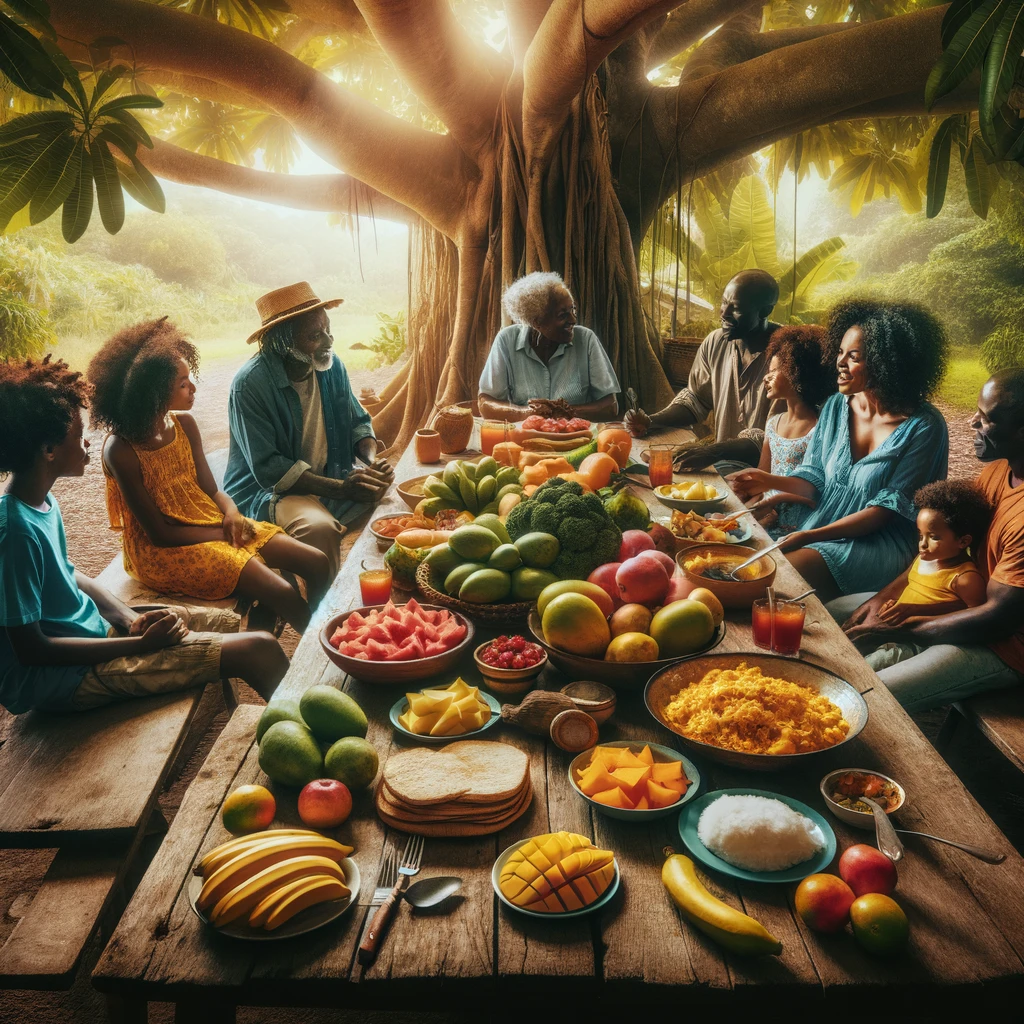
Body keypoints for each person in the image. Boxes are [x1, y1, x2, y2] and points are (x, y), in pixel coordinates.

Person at [0, 357, 287, 715]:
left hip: (94, 633)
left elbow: (70, 575)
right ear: (48, 450)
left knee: (226, 622)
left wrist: (128, 620)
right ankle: (307, 749)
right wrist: (137, 645)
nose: (88, 443)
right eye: (78, 436)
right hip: (62, 677)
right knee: (258, 649)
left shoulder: (38, 502)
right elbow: (33, 651)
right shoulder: (14, 531)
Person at [89, 318, 329, 634]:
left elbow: (212, 491)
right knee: (282, 590)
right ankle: (323, 651)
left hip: (212, 524)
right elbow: (159, 534)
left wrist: (231, 515)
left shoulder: (185, 426)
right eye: (183, 383)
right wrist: (224, 536)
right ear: (153, 392)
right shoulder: (121, 450)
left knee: (317, 562)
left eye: (190, 378)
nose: (193, 388)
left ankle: (303, 629)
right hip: (162, 552)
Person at [729, 299, 949, 601]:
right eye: (840, 352)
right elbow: (814, 480)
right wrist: (766, 481)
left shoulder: (924, 427)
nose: (840, 362)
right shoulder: (835, 406)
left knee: (767, 579)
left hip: (877, 544)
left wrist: (810, 536)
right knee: (739, 568)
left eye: (854, 356)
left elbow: (883, 513)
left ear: (887, 363)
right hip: (822, 524)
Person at [839, 368, 1024, 712]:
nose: (972, 422)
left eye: (987, 418)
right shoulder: (998, 472)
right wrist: (884, 599)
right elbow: (937, 547)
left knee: (866, 699)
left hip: (1001, 646)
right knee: (832, 617)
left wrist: (901, 628)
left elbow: (999, 618)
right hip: (954, 605)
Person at [225, 282, 394, 579]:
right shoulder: (250, 385)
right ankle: (321, 613)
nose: (328, 341)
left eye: (327, 330)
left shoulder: (331, 366)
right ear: (281, 343)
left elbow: (358, 422)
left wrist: (370, 463)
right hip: (272, 493)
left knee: (393, 505)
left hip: (328, 477)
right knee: (320, 529)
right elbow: (269, 470)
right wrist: (342, 489)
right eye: (314, 336)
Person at [624, 270, 782, 473]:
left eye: (736, 308)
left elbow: (776, 436)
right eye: (724, 303)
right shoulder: (715, 342)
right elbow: (696, 400)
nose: (724, 313)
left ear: (765, 311)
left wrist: (713, 451)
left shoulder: (788, 355)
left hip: (768, 477)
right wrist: (651, 421)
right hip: (722, 467)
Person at [858, 480, 990, 672]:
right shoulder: (925, 558)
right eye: (921, 535)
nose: (922, 544)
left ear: (963, 541)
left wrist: (917, 610)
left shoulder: (965, 577)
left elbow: (973, 616)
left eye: (934, 537)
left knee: (868, 666)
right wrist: (891, 607)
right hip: (893, 629)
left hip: (918, 642)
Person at [477, 272, 620, 422]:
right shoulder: (507, 340)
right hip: (526, 439)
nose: (573, 320)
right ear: (537, 322)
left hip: (576, 436)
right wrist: (525, 413)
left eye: (573, 310)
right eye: (562, 315)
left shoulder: (586, 339)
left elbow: (610, 406)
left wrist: (561, 412)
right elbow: (486, 404)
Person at [751, 324, 836, 538]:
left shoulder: (820, 428)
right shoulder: (773, 423)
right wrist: (746, 512)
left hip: (800, 527)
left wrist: (776, 499)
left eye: (773, 372)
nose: (765, 378)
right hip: (767, 517)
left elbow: (820, 492)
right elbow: (762, 479)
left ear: (797, 373)